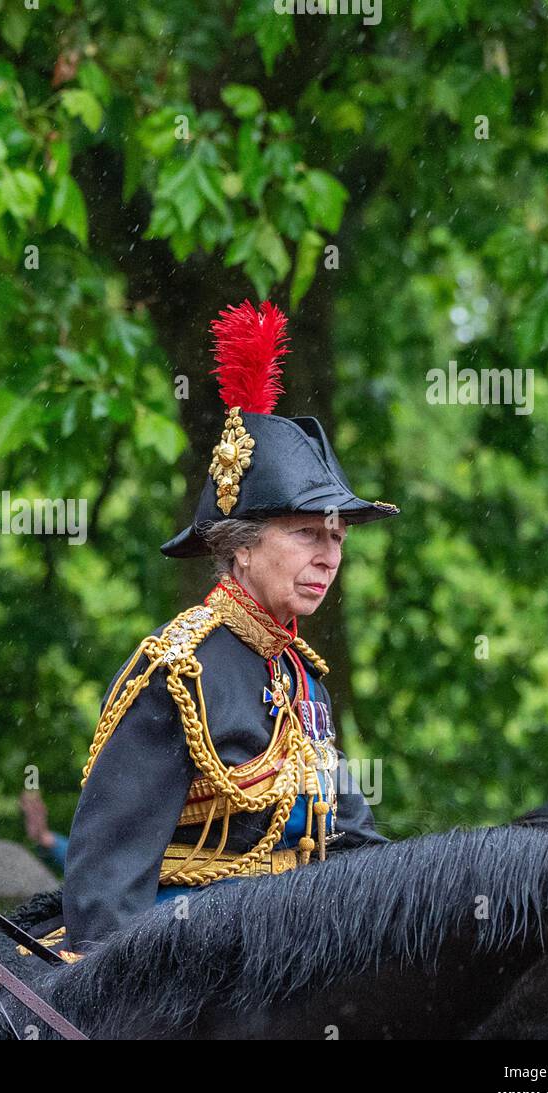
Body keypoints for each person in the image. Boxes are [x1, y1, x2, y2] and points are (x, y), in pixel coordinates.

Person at [62, 300, 397, 949]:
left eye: (337, 537)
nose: (329, 555)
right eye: (305, 535)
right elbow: (106, 891)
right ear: (240, 546)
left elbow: (356, 845)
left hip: (302, 960)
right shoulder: (178, 670)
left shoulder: (305, 680)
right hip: (192, 967)